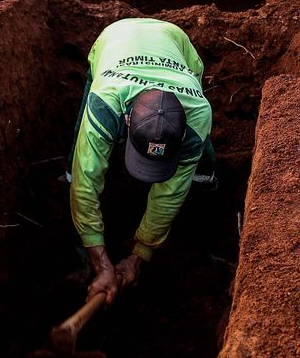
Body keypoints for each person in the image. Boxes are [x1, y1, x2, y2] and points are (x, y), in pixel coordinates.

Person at [68, 18, 215, 305]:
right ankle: (69, 193)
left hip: (176, 42)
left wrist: (140, 253)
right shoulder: (105, 103)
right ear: (125, 120)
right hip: (115, 38)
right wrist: (101, 262)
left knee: (199, 153)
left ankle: (205, 182)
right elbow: (87, 183)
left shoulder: (198, 113)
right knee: (81, 153)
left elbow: (169, 193)